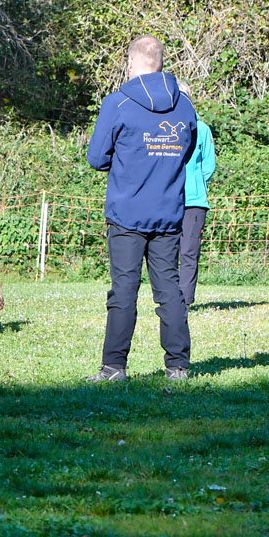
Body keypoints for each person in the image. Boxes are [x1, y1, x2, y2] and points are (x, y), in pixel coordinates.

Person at [84, 35, 198, 382]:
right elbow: (187, 152)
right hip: (168, 212)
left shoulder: (117, 103)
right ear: (160, 63)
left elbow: (96, 157)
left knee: (123, 291)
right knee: (170, 291)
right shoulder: (185, 105)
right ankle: (178, 367)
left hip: (126, 214)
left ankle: (114, 367)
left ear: (132, 64)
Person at [178, 93, 216, 307]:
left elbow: (209, 166)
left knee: (189, 252)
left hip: (194, 202)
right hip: (168, 199)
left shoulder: (202, 129)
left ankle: (184, 301)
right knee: (166, 252)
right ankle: (169, 299)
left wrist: (195, 185)